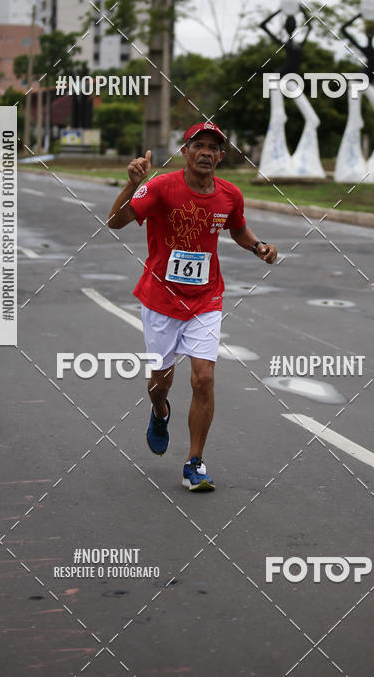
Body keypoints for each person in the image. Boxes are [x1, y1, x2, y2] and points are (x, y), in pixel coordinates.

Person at [107, 122, 278, 492]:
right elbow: (115, 223)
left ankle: (194, 463)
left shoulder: (230, 195)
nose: (205, 152)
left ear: (220, 156)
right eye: (197, 145)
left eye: (212, 147)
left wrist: (258, 246)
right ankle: (159, 411)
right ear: (184, 152)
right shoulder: (161, 187)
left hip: (206, 299)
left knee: (204, 378)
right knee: (160, 384)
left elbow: (237, 229)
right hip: (161, 299)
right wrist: (133, 185)